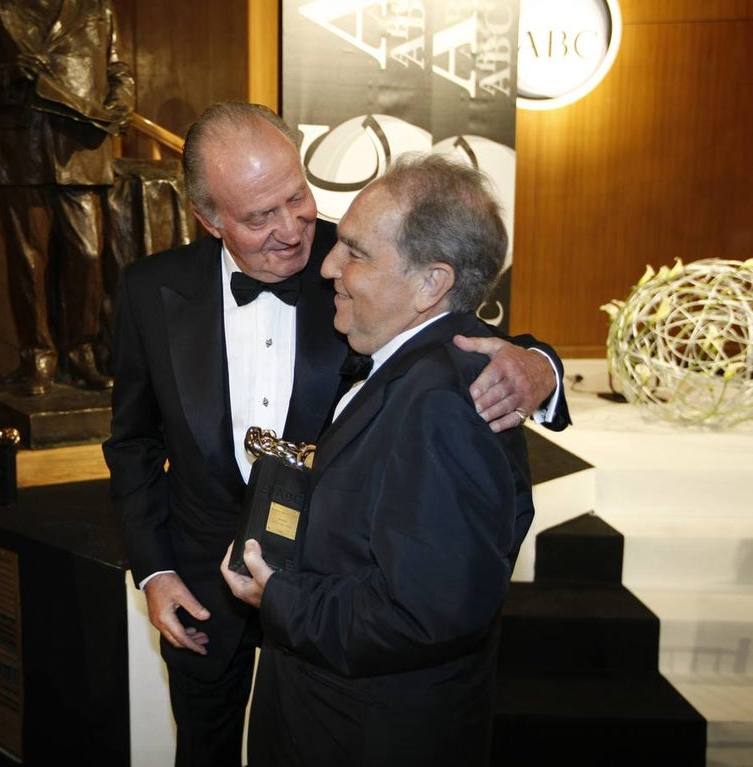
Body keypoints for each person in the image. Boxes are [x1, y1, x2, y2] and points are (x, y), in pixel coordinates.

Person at [102, 101, 569, 767]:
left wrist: (542, 367)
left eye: (297, 197)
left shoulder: (360, 258)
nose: (293, 231)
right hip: (205, 587)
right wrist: (155, 569)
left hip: (339, 595)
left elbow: (455, 334)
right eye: (259, 217)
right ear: (210, 218)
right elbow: (133, 443)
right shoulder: (152, 289)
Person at [221, 153, 537, 766]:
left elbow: (424, 614)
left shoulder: (445, 403)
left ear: (431, 283)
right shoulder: (408, 368)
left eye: (356, 253)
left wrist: (278, 596)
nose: (328, 266)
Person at [0, 0, 135, 395]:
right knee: (29, 261)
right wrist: (8, 73)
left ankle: (82, 353)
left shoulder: (97, 6)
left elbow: (117, 70)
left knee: (88, 256)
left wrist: (121, 102)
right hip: (23, 150)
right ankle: (36, 355)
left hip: (83, 147)